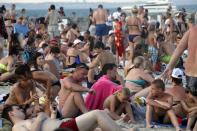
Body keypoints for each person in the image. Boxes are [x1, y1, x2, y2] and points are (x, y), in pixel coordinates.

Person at [2, 105, 135, 131]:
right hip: (63, 127)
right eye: (18, 109)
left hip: (63, 125)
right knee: (97, 114)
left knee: (98, 125)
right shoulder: (17, 126)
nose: (21, 110)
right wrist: (40, 118)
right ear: (11, 114)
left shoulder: (26, 121)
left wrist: (52, 114)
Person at [162, 25, 197, 92]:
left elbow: (179, 49)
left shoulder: (192, 30)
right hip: (191, 73)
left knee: (191, 100)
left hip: (190, 74)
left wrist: (170, 67)